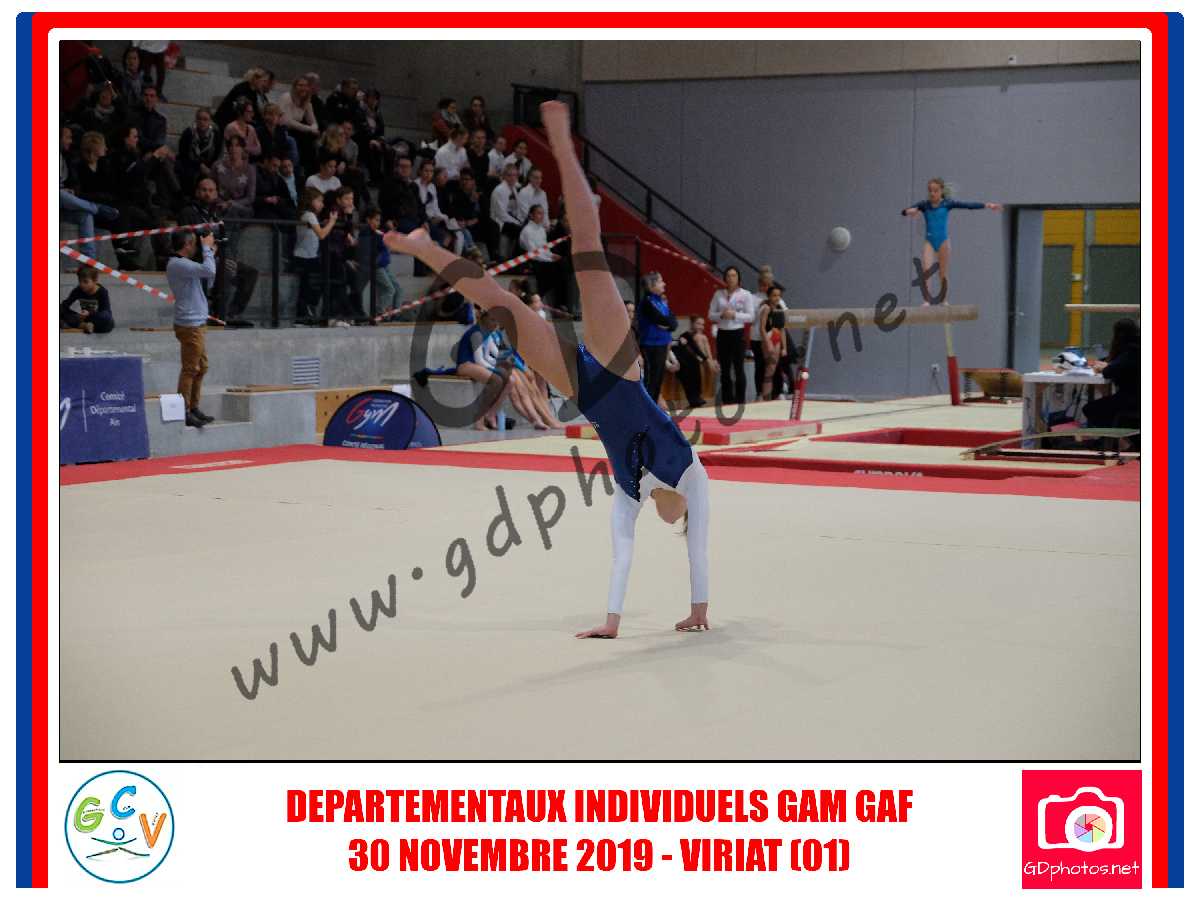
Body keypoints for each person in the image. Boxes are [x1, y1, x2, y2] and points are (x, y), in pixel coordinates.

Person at [384, 100, 711, 639]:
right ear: (685, 513)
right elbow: (699, 550)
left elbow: (622, 551)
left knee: (500, 305)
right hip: (622, 371)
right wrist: (701, 607)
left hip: (584, 389)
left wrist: (611, 623)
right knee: (588, 254)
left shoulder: (630, 491)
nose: (669, 519)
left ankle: (424, 249)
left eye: (671, 519)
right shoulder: (693, 474)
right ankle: (561, 142)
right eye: (677, 520)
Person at [901, 178, 1002, 303]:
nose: (932, 193)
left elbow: (967, 205)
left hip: (943, 241)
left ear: (941, 191)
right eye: (930, 191)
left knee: (942, 273)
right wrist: (908, 211)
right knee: (926, 270)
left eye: (935, 191)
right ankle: (926, 300)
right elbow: (905, 211)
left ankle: (943, 300)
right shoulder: (924, 205)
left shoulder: (947, 204)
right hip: (929, 242)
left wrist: (987, 205)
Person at [178, 177, 259, 325]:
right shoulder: (188, 212)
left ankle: (232, 314)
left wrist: (228, 259)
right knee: (225, 270)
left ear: (216, 194)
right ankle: (218, 315)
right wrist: (216, 258)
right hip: (197, 259)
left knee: (250, 273)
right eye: (204, 190)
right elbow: (186, 241)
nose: (207, 194)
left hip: (217, 257)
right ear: (197, 192)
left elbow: (224, 240)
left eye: (211, 191)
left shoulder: (217, 214)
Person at [166, 229, 218, 428]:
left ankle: (194, 407)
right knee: (190, 369)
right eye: (195, 243)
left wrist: (210, 252)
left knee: (202, 367)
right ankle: (184, 411)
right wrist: (207, 250)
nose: (197, 246)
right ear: (187, 244)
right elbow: (209, 271)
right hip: (189, 324)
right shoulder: (177, 264)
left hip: (196, 323)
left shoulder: (184, 264)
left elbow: (209, 277)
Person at [708, 266, 755, 407]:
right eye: (728, 275)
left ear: (738, 278)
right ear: (725, 278)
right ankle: (727, 400)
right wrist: (721, 315)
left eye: (734, 275)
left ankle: (740, 401)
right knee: (725, 369)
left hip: (737, 333)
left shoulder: (745, 294)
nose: (731, 278)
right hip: (723, 333)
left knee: (739, 368)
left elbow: (751, 316)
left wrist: (734, 315)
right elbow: (710, 315)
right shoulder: (718, 294)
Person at [1084, 318, 1140, 429]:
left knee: (1090, 409)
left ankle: (1117, 436)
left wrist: (1106, 367)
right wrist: (1109, 365)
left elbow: (1109, 372)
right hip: (1135, 398)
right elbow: (1119, 364)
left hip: (1132, 400)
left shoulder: (1132, 350)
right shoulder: (1136, 347)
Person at [293, 187, 338, 322]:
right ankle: (303, 315)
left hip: (307, 256)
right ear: (310, 201)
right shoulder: (309, 215)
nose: (322, 204)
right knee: (310, 287)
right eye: (319, 201)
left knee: (308, 287)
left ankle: (304, 315)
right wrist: (332, 222)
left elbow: (316, 229)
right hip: (305, 257)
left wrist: (323, 223)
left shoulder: (308, 215)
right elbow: (322, 234)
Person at [636, 271, 678, 405]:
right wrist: (667, 323)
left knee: (658, 379)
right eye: (660, 281)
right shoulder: (647, 303)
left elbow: (673, 322)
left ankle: (652, 408)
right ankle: (646, 409)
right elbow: (660, 319)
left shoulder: (661, 301)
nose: (664, 284)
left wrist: (668, 325)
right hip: (650, 344)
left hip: (662, 343)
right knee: (651, 379)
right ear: (651, 285)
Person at [749, 265, 786, 397]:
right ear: (759, 284)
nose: (766, 287)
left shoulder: (778, 300)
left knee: (776, 366)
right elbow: (751, 318)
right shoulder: (753, 298)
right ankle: (760, 393)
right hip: (757, 337)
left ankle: (778, 392)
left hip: (773, 336)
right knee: (760, 366)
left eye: (769, 284)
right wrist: (761, 307)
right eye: (764, 284)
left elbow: (784, 318)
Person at [673, 316, 717, 409]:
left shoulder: (702, 337)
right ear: (692, 324)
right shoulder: (686, 335)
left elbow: (705, 351)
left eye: (702, 325)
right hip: (682, 363)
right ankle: (693, 398)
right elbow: (695, 349)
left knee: (695, 368)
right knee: (689, 370)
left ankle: (697, 397)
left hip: (693, 362)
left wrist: (709, 360)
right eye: (698, 324)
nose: (701, 327)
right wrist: (706, 360)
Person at [364, 207, 401, 313]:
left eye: (379, 220)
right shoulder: (368, 233)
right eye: (376, 220)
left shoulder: (378, 233)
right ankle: (380, 311)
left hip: (384, 265)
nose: (378, 223)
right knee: (390, 290)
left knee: (396, 289)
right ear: (368, 220)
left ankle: (393, 314)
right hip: (377, 267)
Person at [176, 106, 223, 193]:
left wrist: (210, 168)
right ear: (196, 120)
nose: (202, 122)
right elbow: (183, 155)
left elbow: (218, 155)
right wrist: (199, 165)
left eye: (205, 119)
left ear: (210, 121)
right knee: (188, 172)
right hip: (190, 164)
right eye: (199, 119)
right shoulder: (188, 133)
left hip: (209, 166)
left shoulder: (216, 134)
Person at [60, 266, 115, 334]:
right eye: (80, 281)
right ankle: (85, 326)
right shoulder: (78, 290)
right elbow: (65, 305)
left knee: (106, 317)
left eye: (85, 282)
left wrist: (89, 313)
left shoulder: (102, 292)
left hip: (97, 318)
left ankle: (80, 325)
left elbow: (106, 311)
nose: (82, 284)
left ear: (95, 281)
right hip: (85, 319)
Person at [757, 285, 788, 401]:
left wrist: (784, 347)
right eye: (774, 295)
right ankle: (765, 396)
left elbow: (782, 329)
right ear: (769, 296)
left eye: (779, 295)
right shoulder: (766, 308)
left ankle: (769, 395)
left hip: (777, 338)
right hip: (769, 338)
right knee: (769, 369)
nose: (777, 298)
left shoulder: (780, 308)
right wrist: (768, 343)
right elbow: (762, 328)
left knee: (773, 369)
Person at [490, 163, 524, 259]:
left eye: (515, 175)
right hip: (499, 222)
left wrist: (520, 221)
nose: (512, 178)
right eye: (509, 175)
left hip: (510, 219)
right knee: (522, 231)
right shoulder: (500, 190)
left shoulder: (513, 187)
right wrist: (517, 223)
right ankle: (515, 259)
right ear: (504, 176)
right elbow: (502, 214)